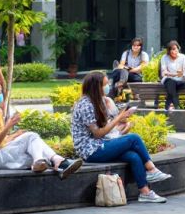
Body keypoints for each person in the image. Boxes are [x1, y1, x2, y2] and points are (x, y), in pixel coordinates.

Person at [70, 72, 172, 203]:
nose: (108, 87)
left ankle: (145, 192)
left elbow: (105, 130)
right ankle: (152, 170)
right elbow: (97, 133)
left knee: (133, 156)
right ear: (96, 87)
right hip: (90, 151)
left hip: (100, 144)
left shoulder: (97, 101)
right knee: (134, 138)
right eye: (105, 85)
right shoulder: (85, 104)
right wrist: (118, 118)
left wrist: (121, 124)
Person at [0, 78, 83, 176]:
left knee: (33, 148)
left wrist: (15, 135)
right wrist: (9, 125)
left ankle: (54, 161)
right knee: (32, 137)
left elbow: (2, 139)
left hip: (1, 151)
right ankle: (56, 162)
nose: (1, 95)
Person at [159, 40, 185, 112]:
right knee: (171, 82)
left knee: (171, 87)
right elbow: (164, 72)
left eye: (174, 49)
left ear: (178, 48)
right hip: (168, 80)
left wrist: (179, 74)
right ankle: (177, 106)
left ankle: (167, 106)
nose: (173, 51)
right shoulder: (164, 57)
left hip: (181, 80)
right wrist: (176, 74)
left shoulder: (183, 57)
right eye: (170, 50)